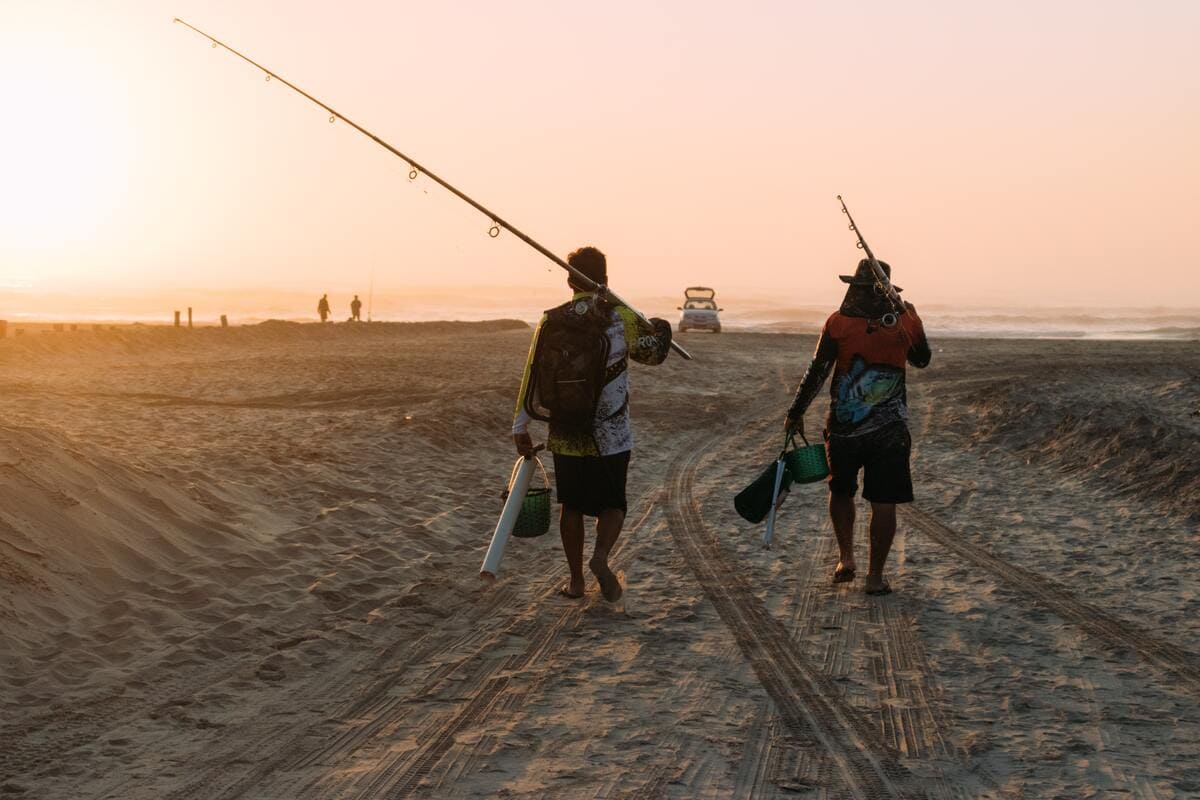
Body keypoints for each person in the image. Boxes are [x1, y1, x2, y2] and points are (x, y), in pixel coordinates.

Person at [512, 246, 672, 602]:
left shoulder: (551, 320)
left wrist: (520, 425)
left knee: (571, 506)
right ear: (605, 279)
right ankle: (600, 559)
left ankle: (576, 582)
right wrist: (659, 325)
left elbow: (532, 375)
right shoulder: (620, 317)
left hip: (566, 432)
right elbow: (653, 353)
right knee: (613, 504)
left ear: (570, 279)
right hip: (611, 435)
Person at [784, 259, 931, 596]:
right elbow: (922, 359)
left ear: (854, 287)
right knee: (883, 501)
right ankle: (874, 577)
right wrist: (911, 317)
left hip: (845, 428)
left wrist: (796, 411)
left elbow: (817, 371)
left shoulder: (838, 323)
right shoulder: (902, 321)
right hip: (890, 431)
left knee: (841, 491)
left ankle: (846, 558)